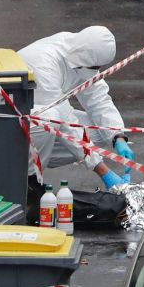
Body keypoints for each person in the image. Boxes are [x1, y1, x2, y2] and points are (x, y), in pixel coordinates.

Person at [19, 26, 132, 220]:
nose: (95, 71)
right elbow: (66, 122)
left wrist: (117, 136)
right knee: (51, 117)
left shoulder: (81, 53)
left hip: (42, 126)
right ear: (84, 59)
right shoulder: (44, 62)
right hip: (14, 126)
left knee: (98, 130)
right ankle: (28, 182)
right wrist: (102, 170)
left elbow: (97, 98)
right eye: (94, 67)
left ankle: (40, 161)